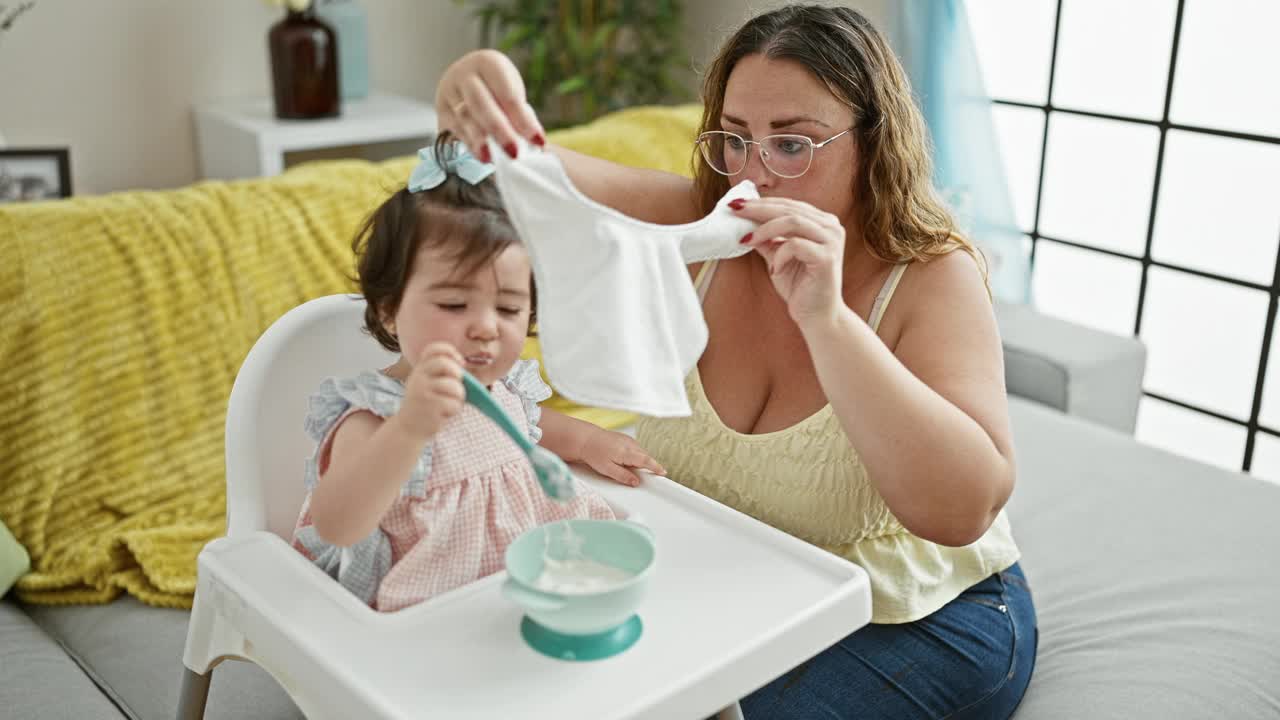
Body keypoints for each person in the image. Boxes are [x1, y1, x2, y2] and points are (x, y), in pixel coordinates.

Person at [436, 4, 1036, 718]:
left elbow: (962, 508)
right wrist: (475, 92)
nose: (756, 176)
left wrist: (828, 320)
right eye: (737, 140)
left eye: (794, 144)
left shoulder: (933, 276)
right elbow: (511, 171)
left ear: (874, 142)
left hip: (916, 616)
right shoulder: (697, 229)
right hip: (751, 594)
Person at [291, 134, 665, 612]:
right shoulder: (374, 416)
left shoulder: (500, 390)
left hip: (527, 582)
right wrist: (409, 430)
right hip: (434, 610)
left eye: (508, 308)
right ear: (388, 310)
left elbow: (527, 430)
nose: (486, 328)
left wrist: (589, 442)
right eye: (453, 303)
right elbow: (336, 523)